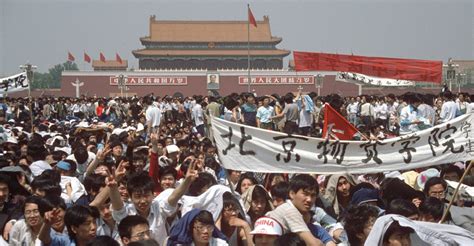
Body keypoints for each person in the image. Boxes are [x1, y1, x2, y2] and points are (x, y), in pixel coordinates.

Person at [266, 174, 325, 245]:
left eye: (313, 195)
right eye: (305, 194)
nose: (309, 199)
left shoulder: (302, 213)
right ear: (292, 194)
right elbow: (313, 244)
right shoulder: (290, 211)